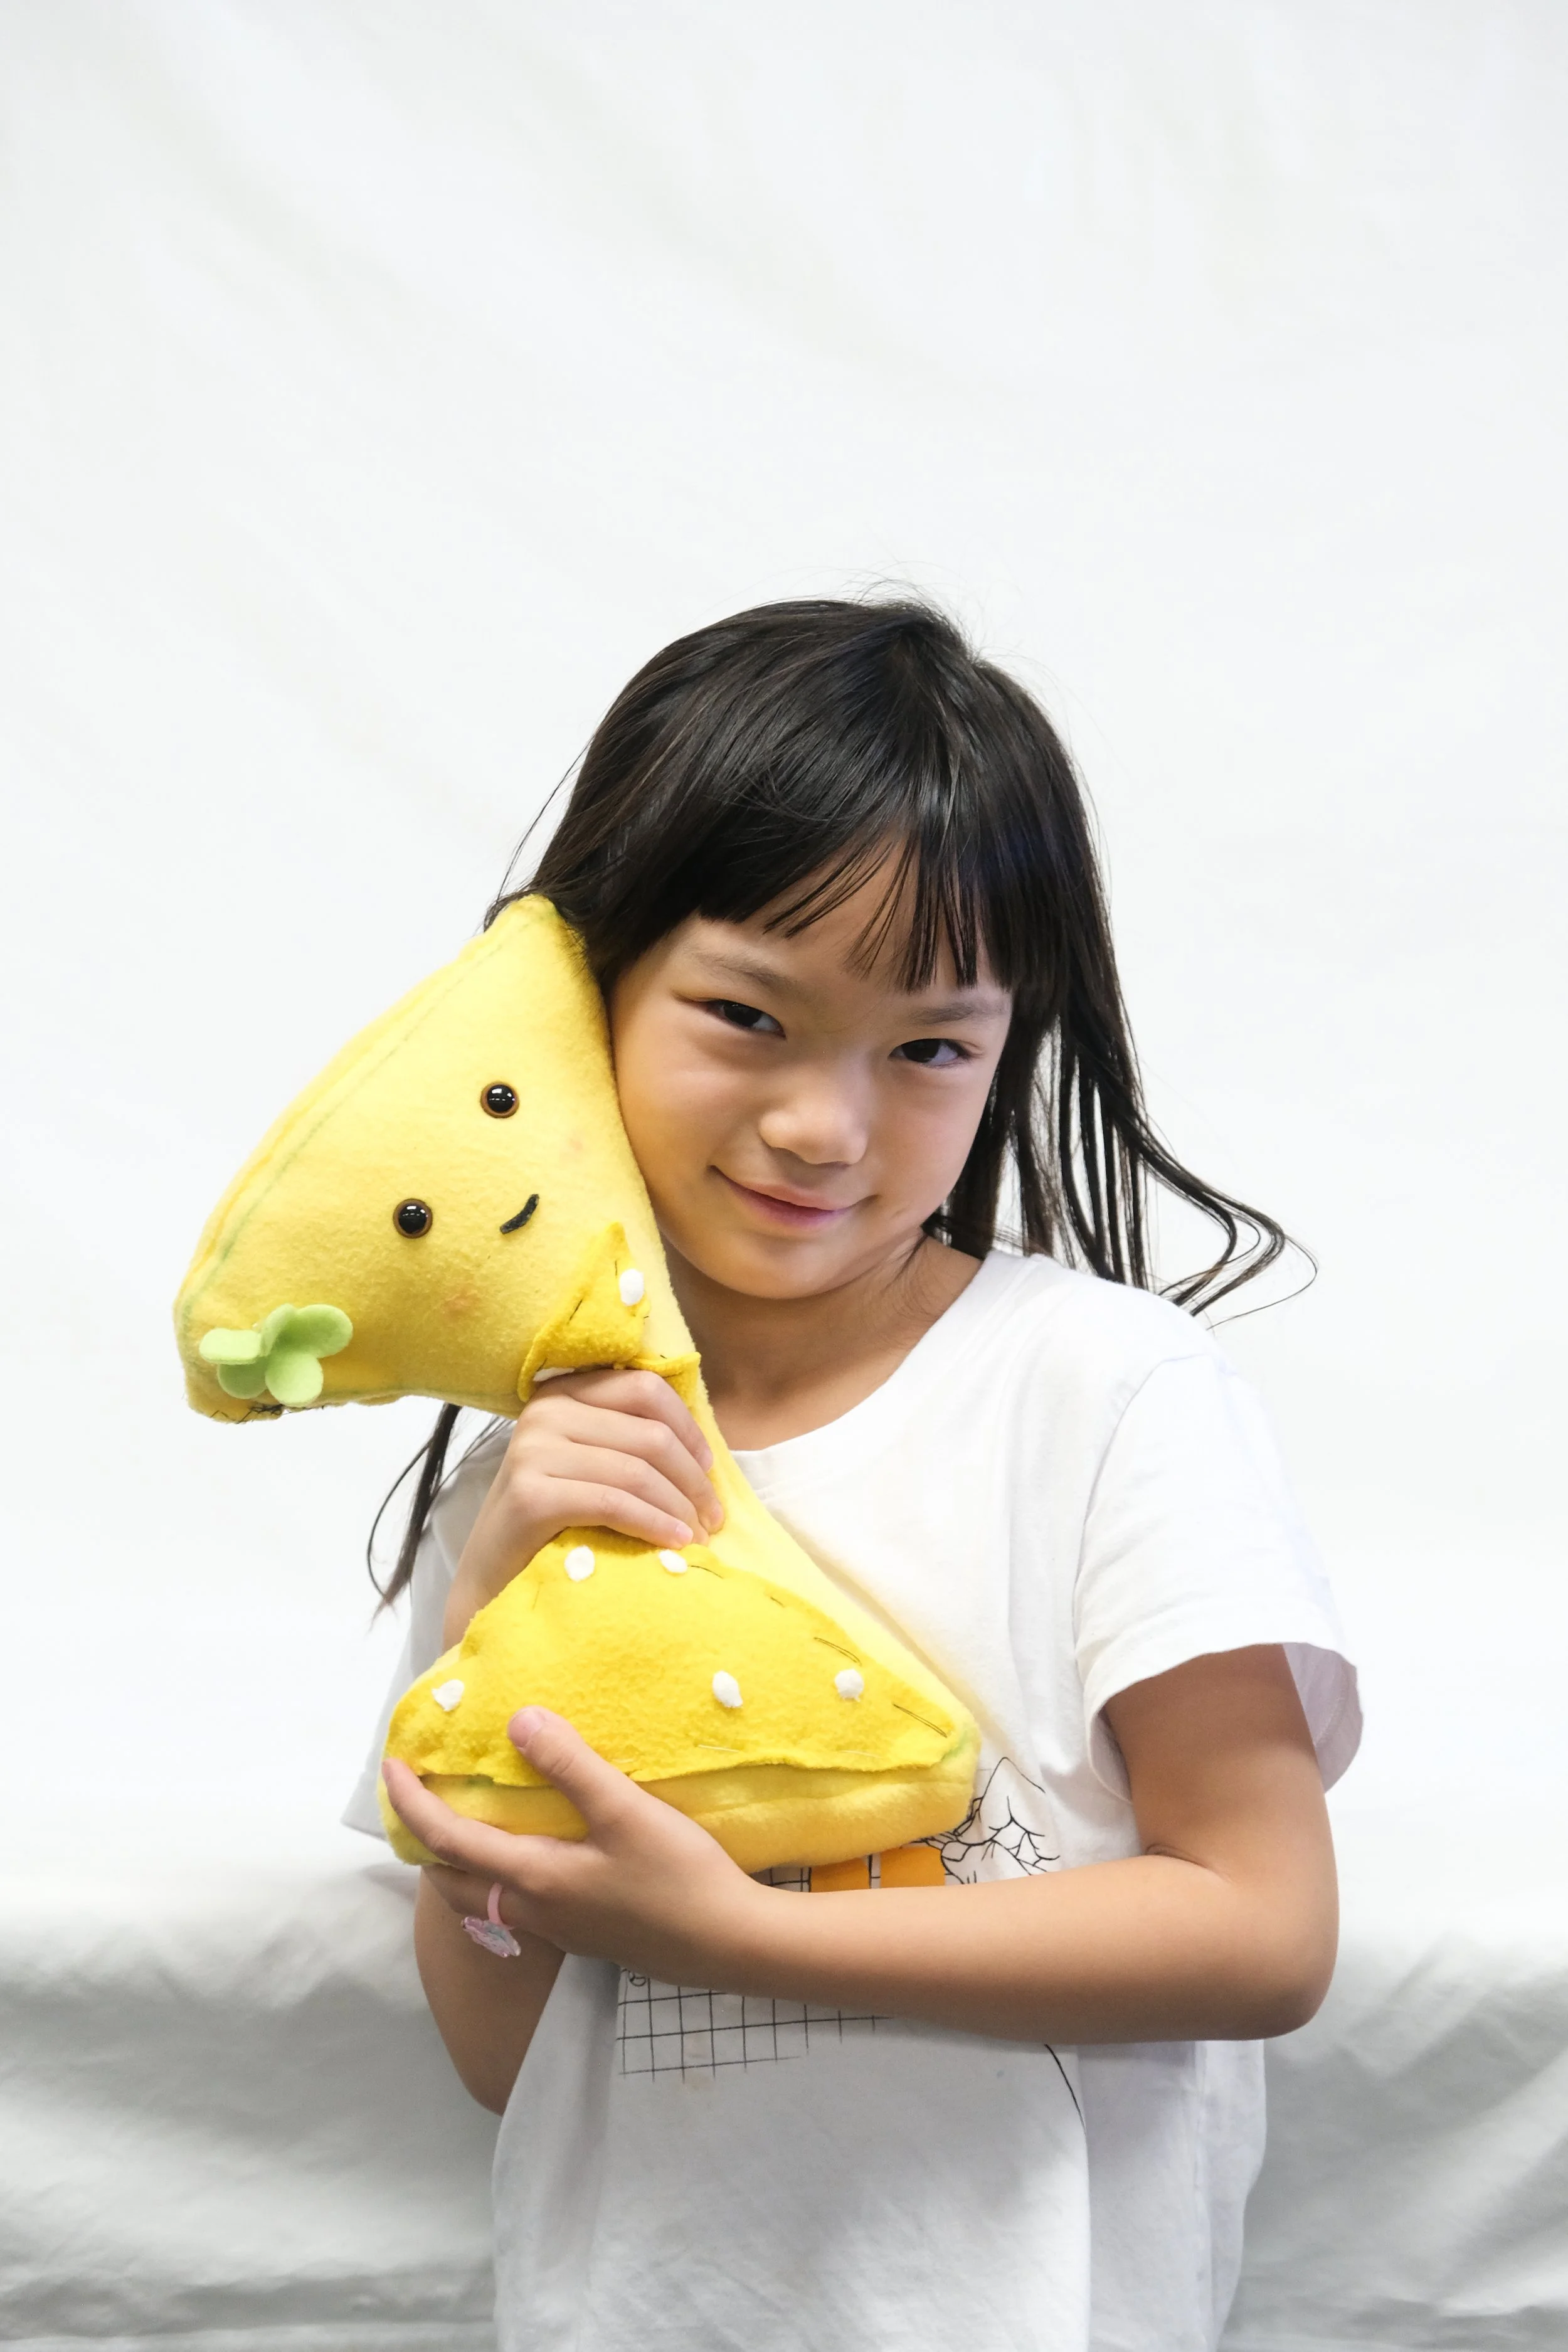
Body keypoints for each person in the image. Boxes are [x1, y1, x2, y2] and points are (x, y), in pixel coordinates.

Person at [346, 597, 1359, 2352]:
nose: (827, 1123)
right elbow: (499, 2052)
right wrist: (483, 1599)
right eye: (748, 1014)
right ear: (587, 993)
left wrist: (747, 1934)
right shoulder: (537, 1475)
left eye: (926, 1048)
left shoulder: (1103, 1392)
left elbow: (1262, 1927)